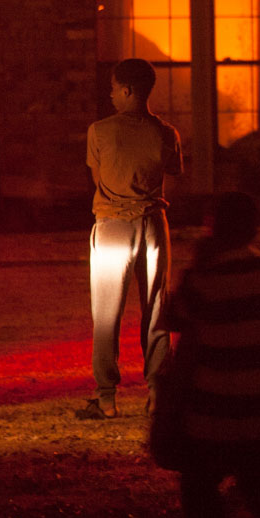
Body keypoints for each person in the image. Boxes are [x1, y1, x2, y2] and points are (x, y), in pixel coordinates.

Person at [156, 192, 260, 518]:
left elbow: (172, 317)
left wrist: (197, 263)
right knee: (256, 485)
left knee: (198, 486)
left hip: (214, 408)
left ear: (214, 227)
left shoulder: (203, 278)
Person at [78, 58, 183, 420]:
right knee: (156, 309)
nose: (110, 95)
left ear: (126, 91)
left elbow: (98, 179)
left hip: (112, 226)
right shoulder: (167, 133)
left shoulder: (99, 132)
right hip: (153, 225)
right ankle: (157, 392)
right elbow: (173, 177)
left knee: (107, 313)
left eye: (113, 88)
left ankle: (106, 397)